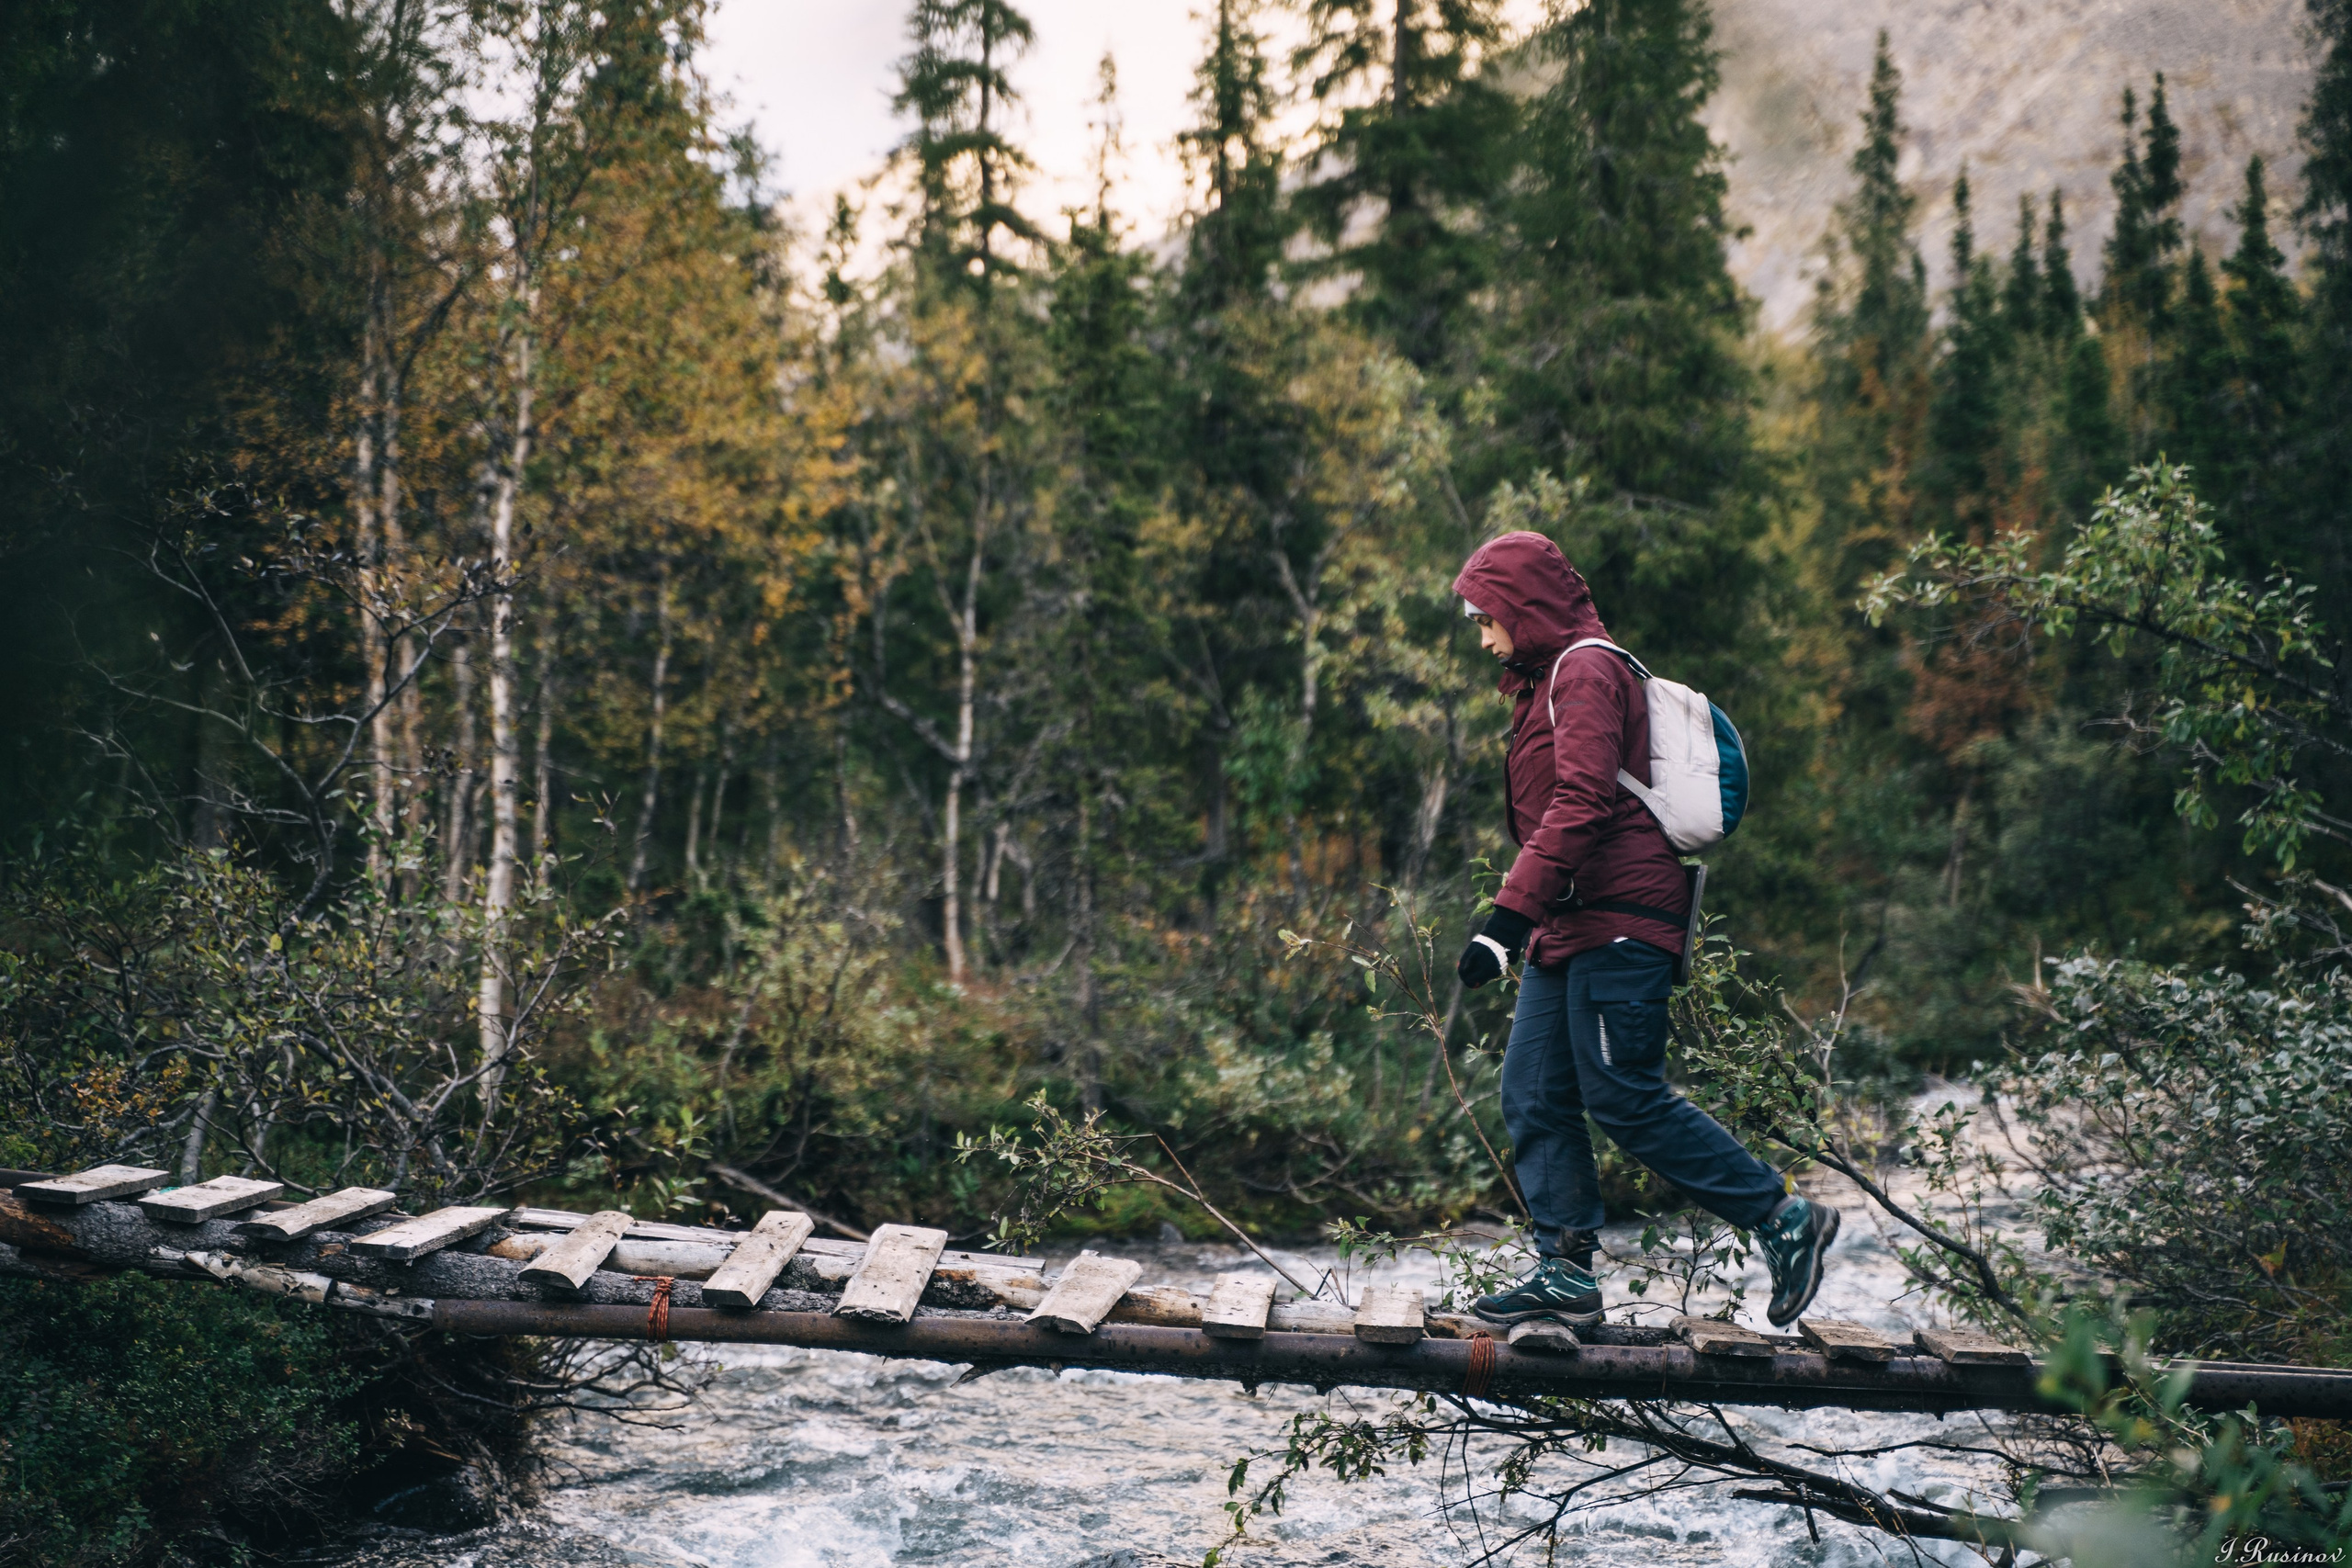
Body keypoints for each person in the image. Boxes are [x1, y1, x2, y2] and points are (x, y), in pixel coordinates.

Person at [1451, 530, 1838, 1330]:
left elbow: (1584, 801)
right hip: (1573, 921)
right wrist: (1531, 919)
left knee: (1622, 1094)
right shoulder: (1544, 677)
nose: (1483, 637)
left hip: (1621, 920)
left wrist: (1504, 921)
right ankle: (1564, 1271)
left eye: (1488, 618)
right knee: (1531, 1089)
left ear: (1524, 608)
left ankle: (1782, 1216)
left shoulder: (1585, 668)